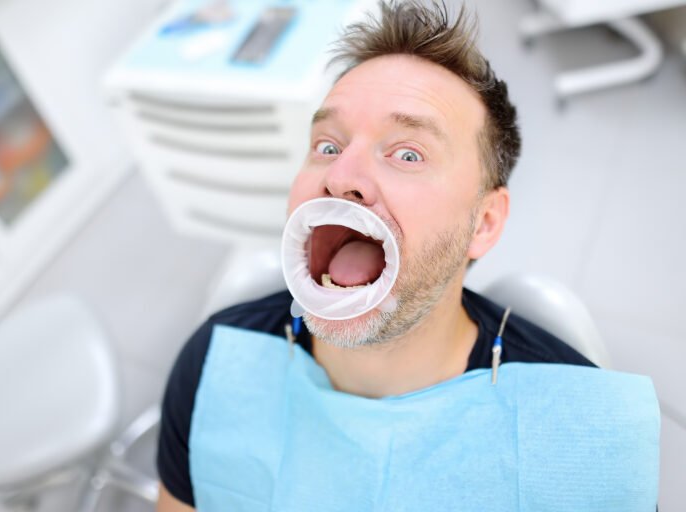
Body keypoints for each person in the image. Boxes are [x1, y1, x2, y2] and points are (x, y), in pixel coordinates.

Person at [154, 1, 641, 511]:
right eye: (326, 145)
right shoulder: (212, 368)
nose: (339, 176)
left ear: (485, 222)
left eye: (408, 154)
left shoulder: (577, 435)